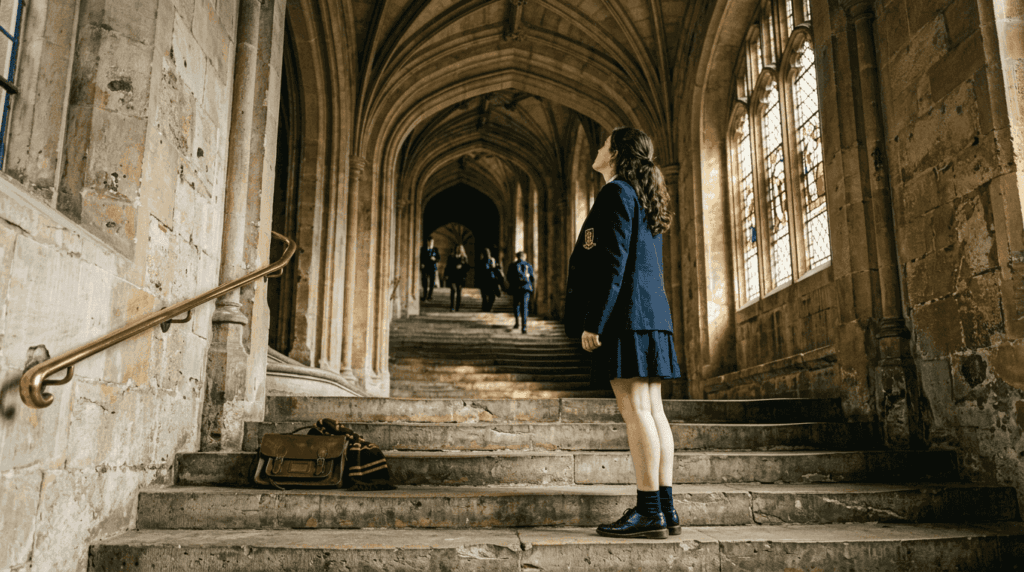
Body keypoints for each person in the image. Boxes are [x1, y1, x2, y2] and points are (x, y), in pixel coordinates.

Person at [563, 127, 681, 539]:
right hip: (653, 314)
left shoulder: (615, 193)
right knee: (652, 411)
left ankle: (649, 509)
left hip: (626, 317)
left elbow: (612, 263)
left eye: (603, 143)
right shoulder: (642, 193)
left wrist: (595, 320)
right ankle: (665, 508)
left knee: (636, 413)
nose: (597, 149)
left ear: (614, 153)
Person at [507, 251, 534, 333]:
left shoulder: (512, 265)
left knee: (516, 305)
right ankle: (524, 327)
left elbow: (509, 277)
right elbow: (532, 278)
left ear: (517, 257)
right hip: (526, 289)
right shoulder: (528, 265)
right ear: (524, 256)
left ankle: (517, 323)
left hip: (516, 288)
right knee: (525, 307)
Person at [445, 245, 470, 311]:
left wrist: (462, 266)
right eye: (458, 248)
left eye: (460, 249)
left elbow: (467, 268)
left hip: (460, 277)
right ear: (455, 249)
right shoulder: (451, 256)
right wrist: (446, 274)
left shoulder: (464, 257)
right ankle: (452, 306)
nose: (459, 250)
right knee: (453, 290)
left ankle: (457, 307)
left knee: (459, 292)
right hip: (453, 276)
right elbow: (448, 266)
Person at [480, 248, 501, 312]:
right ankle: (486, 308)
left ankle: (487, 307)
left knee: (490, 296)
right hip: (487, 279)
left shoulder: (491, 260)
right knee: (487, 295)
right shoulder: (483, 261)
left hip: (490, 279)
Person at [419, 236, 439, 301]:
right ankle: (424, 295)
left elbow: (438, 258)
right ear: (427, 242)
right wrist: (422, 264)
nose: (431, 243)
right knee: (424, 282)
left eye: (432, 242)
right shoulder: (423, 249)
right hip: (425, 268)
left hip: (432, 268)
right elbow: (421, 257)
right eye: (430, 242)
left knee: (431, 282)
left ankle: (430, 295)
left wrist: (435, 259)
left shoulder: (435, 249)